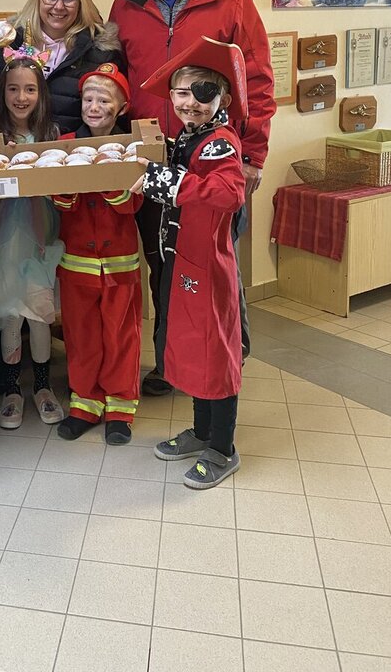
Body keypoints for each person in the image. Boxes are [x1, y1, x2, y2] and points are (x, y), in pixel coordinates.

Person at [110, 0, 275, 396]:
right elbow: (115, 77)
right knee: (165, 266)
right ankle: (172, 362)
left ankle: (228, 357)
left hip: (214, 159)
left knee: (216, 265)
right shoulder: (125, 5)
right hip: (155, 162)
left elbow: (258, 82)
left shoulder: (231, 0)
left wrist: (252, 157)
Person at [0, 0, 123, 393]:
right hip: (9, 211)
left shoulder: (98, 47)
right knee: (10, 299)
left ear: (82, 2)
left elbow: (108, 105)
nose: (58, 6)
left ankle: (56, 382)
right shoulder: (13, 41)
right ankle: (11, 386)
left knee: (47, 295)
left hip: (66, 183)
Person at [131, 37, 247, 489]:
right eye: (182, 92)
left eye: (204, 92)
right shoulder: (189, 135)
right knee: (193, 348)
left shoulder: (218, 142)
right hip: (183, 261)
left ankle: (223, 448)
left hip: (208, 266)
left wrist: (171, 182)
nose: (190, 102)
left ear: (223, 99)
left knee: (215, 353)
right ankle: (201, 432)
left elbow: (229, 192)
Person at [53, 64, 143, 446]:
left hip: (120, 262)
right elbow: (60, 201)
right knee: (81, 335)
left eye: (103, 100)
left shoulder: (133, 147)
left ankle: (120, 408)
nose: (93, 107)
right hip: (76, 264)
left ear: (121, 107)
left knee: (121, 334)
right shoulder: (64, 145)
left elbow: (133, 204)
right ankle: (85, 404)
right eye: (88, 99)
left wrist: (105, 177)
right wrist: (72, 180)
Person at [0, 47, 65, 429]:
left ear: (40, 93)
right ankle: (12, 390)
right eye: (13, 89)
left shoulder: (50, 134)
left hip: (40, 232)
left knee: (40, 311)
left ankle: (43, 388)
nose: (21, 97)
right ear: (2, 93)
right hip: (3, 234)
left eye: (29, 89)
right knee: (11, 312)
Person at [0, 0, 123, 135]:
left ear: (81, 3)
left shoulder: (101, 52)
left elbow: (113, 117)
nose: (59, 6)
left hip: (75, 148)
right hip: (13, 148)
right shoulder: (9, 42)